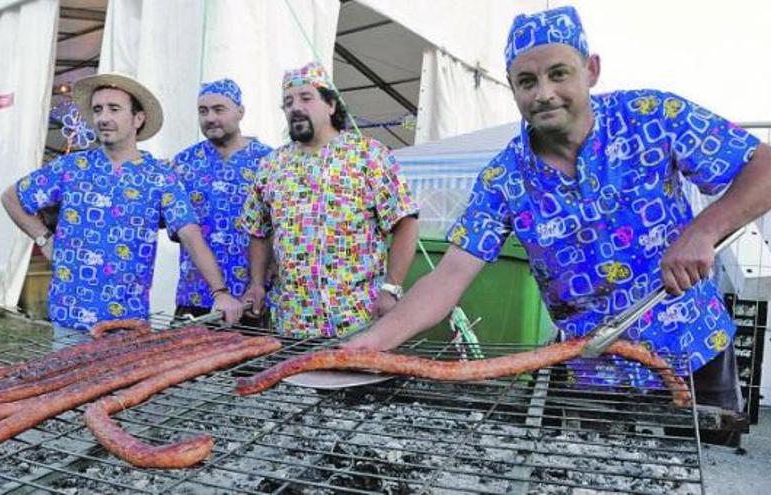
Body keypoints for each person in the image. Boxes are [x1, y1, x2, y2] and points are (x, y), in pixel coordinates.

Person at [347, 6, 771, 414]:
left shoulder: (652, 115)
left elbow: (765, 166)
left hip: (695, 346)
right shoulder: (504, 178)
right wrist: (374, 341)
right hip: (596, 372)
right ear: (512, 89)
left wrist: (703, 231)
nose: (544, 93)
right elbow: (449, 276)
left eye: (558, 74)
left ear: (591, 70)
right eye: (527, 81)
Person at [1, 72, 244, 346]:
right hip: (69, 319)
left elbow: (191, 234)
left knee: (121, 390)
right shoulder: (72, 167)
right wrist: (44, 239)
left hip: (127, 325)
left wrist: (220, 292)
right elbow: (12, 197)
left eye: (114, 109)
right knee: (73, 389)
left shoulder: (159, 177)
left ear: (138, 119)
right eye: (98, 110)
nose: (104, 117)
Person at [240, 62, 420, 338]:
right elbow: (258, 230)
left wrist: (391, 288)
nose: (295, 107)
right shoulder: (271, 165)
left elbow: (405, 221)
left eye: (306, 98)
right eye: (288, 102)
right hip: (291, 325)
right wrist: (256, 283)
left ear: (331, 105)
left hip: (358, 321)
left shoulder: (369, 155)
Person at [171, 79, 273, 326]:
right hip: (196, 295)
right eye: (203, 111)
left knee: (256, 365)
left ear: (240, 112)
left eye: (219, 109)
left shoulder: (269, 161)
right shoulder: (184, 162)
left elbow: (279, 228)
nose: (210, 118)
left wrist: (262, 283)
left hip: (253, 299)